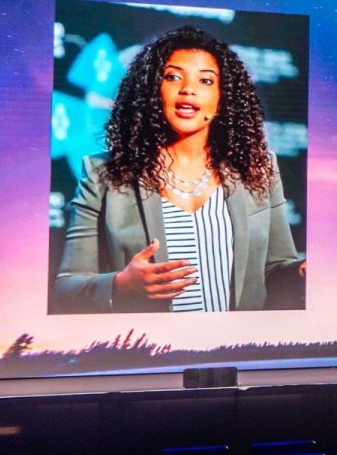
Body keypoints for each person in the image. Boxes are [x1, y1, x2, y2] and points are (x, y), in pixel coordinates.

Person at [52, 25, 305, 313]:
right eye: (173, 77)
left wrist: (301, 273)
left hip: (239, 351)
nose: (188, 89)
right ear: (150, 90)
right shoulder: (102, 174)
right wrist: (120, 284)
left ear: (223, 99)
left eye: (207, 81)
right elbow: (66, 289)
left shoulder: (259, 168)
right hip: (153, 353)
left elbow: (275, 270)